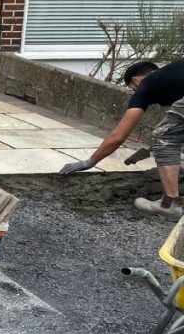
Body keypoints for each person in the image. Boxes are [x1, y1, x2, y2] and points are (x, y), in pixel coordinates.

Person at [60, 59, 184, 219]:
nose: (135, 92)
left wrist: (89, 162)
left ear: (136, 80)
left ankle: (169, 205)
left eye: (133, 90)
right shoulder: (172, 76)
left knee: (163, 137)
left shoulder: (146, 85)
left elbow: (119, 135)